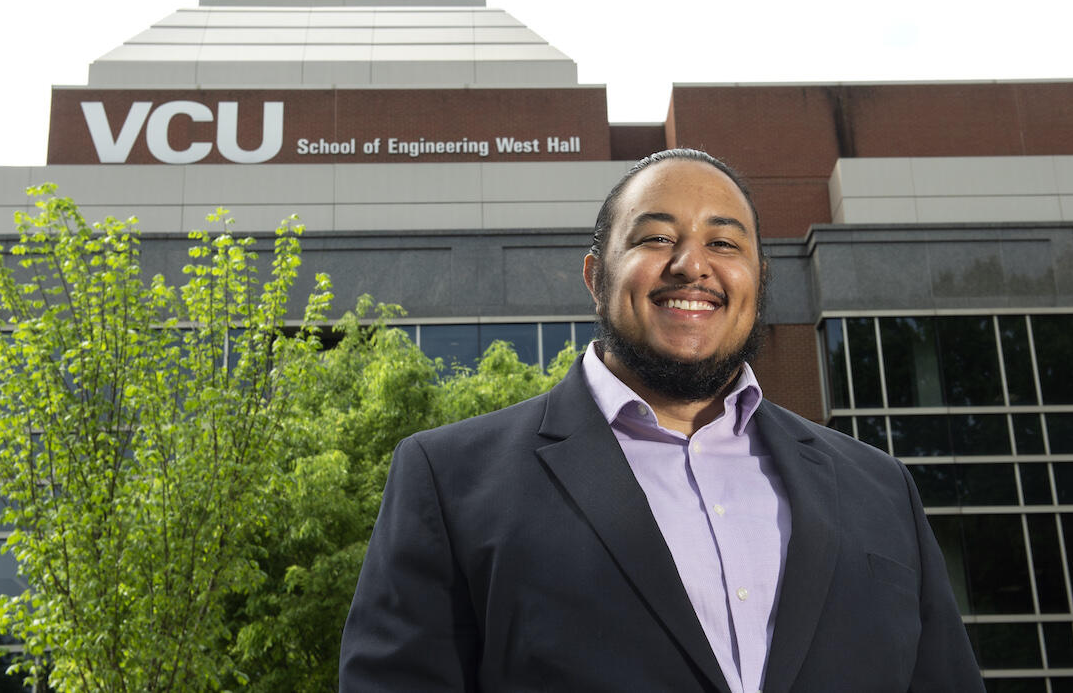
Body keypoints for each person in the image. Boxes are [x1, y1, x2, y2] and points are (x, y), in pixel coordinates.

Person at [339, 149, 984, 692]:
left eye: (723, 243)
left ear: (759, 279)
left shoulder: (881, 488)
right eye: (656, 238)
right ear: (595, 277)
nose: (692, 266)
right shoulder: (450, 479)